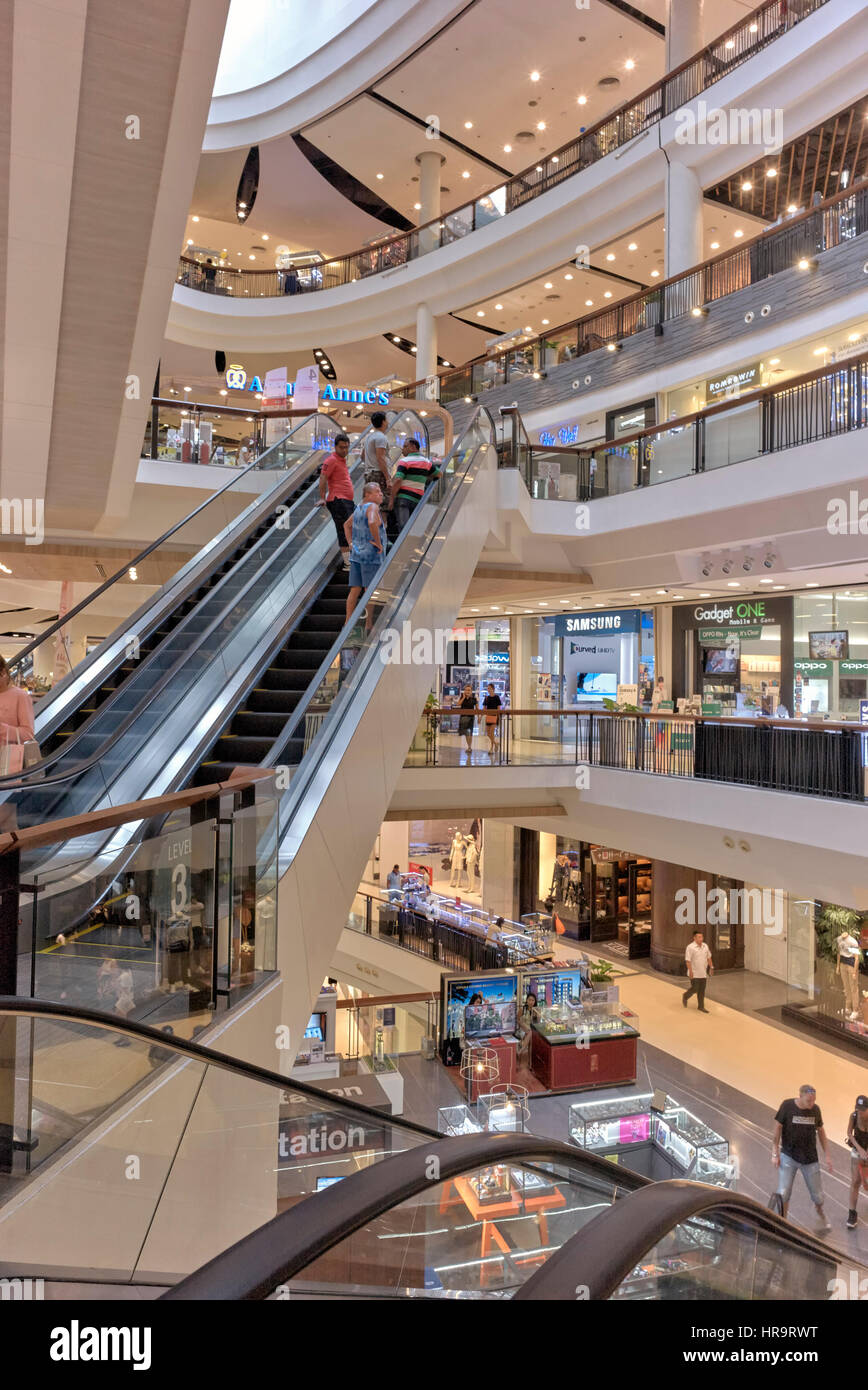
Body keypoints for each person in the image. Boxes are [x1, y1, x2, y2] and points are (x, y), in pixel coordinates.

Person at [772, 1084, 833, 1232]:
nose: (811, 1104)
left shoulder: (815, 1110)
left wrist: (827, 1155)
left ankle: (819, 1211)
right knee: (784, 1192)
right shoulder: (787, 1106)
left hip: (810, 1159)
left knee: (818, 1196)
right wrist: (775, 1151)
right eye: (808, 1101)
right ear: (800, 1096)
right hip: (789, 1156)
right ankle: (782, 1222)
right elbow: (778, 1128)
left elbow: (821, 1131)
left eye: (813, 1101)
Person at [344, 482, 386, 630]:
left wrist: (350, 543)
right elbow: (373, 522)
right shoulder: (372, 507)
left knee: (355, 589)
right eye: (377, 491)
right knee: (370, 590)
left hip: (356, 555)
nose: (380, 494)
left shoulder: (358, 509)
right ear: (367, 495)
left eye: (380, 491)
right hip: (371, 556)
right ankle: (368, 624)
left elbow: (346, 525)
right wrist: (379, 543)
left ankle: (348, 622)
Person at [318, 432, 355, 570]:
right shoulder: (331, 460)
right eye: (341, 447)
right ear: (335, 447)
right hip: (338, 500)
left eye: (346, 447)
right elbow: (322, 478)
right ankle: (348, 563)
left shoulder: (341, 460)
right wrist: (322, 497)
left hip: (345, 501)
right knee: (345, 529)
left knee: (351, 528)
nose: (345, 450)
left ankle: (350, 561)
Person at [388, 437, 440, 531]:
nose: (402, 449)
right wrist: (425, 477)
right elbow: (439, 474)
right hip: (418, 500)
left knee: (403, 528)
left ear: (412, 447)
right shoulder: (427, 462)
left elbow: (398, 480)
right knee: (414, 529)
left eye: (405, 446)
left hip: (403, 498)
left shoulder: (404, 461)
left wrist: (391, 499)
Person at [0, 656, 35, 752]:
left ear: (3, 672)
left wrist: (2, 729)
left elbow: (28, 734)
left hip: (9, 760)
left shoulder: (20, 696)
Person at [846, 1095, 868, 1228]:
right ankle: (852, 1213)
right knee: (855, 1182)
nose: (860, 1112)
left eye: (863, 1110)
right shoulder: (853, 1116)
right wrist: (860, 1149)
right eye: (858, 1109)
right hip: (857, 1151)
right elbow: (849, 1133)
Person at [683, 929, 713, 1011]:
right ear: (694, 938)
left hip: (703, 973)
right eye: (699, 937)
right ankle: (685, 996)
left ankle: (701, 1006)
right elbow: (688, 961)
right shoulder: (690, 947)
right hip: (694, 973)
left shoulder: (705, 946)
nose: (701, 938)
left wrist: (711, 967)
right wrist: (691, 971)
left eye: (702, 937)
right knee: (695, 988)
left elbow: (709, 957)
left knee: (702, 990)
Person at [363, 410, 392, 493]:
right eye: (386, 420)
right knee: (381, 501)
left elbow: (363, 456)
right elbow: (381, 458)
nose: (388, 422)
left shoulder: (369, 437)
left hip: (369, 473)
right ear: (383, 422)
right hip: (378, 474)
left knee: (370, 499)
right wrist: (388, 479)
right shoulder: (381, 437)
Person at [482, 683, 502, 757]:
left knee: (492, 732)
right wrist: (483, 713)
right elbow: (484, 708)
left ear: (493, 689)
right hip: (488, 716)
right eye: (488, 688)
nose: (489, 689)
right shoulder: (486, 698)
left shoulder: (497, 697)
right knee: (488, 733)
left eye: (490, 688)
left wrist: (497, 717)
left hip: (495, 717)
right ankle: (496, 744)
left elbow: (499, 708)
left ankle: (491, 748)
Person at [457, 683, 476, 757]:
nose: (468, 691)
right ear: (464, 691)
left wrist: (479, 718)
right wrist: (463, 697)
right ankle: (469, 747)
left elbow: (477, 709)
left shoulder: (474, 699)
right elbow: (458, 704)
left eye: (469, 690)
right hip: (463, 718)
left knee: (470, 733)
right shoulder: (462, 697)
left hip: (471, 718)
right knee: (466, 734)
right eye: (466, 690)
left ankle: (469, 747)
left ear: (471, 691)